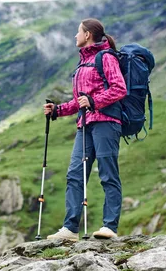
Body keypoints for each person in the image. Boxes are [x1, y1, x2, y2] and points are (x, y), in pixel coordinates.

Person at [43, 18, 127, 240]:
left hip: (106, 122)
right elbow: (80, 101)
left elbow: (119, 89)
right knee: (74, 174)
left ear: (88, 34)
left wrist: (94, 101)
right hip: (85, 124)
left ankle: (110, 227)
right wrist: (57, 110)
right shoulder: (82, 63)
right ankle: (70, 229)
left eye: (78, 31)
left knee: (108, 173)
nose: (75, 36)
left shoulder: (106, 57)